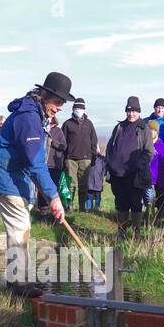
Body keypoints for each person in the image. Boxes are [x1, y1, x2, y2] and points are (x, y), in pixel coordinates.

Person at [0, 72, 73, 292]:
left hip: (14, 176)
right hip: (5, 175)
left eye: (63, 103)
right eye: (58, 101)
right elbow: (36, 162)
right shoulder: (29, 118)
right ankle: (20, 284)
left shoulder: (35, 113)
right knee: (20, 227)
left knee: (21, 227)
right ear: (44, 94)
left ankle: (18, 279)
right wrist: (54, 197)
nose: (60, 107)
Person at [104, 96, 157, 234]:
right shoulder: (119, 127)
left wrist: (138, 165)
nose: (131, 114)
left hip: (135, 176)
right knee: (121, 204)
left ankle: (136, 233)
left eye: (134, 111)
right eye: (128, 111)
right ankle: (121, 232)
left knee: (135, 204)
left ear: (138, 112)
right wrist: (110, 163)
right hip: (117, 175)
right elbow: (110, 147)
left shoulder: (143, 129)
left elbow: (149, 152)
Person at [62, 99, 98, 212]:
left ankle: (82, 207)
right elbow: (63, 142)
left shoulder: (89, 123)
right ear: (73, 109)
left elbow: (94, 140)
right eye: (77, 108)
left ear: (84, 110)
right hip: (70, 159)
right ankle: (69, 206)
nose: (79, 110)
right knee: (70, 184)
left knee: (83, 185)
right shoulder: (67, 124)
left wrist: (93, 156)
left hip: (86, 158)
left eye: (81, 109)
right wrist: (63, 157)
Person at [85, 143, 106, 212]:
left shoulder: (102, 159)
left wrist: (101, 178)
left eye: (97, 148)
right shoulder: (88, 157)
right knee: (89, 196)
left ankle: (96, 209)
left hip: (98, 181)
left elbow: (104, 169)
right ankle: (88, 209)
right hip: (89, 180)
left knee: (98, 196)